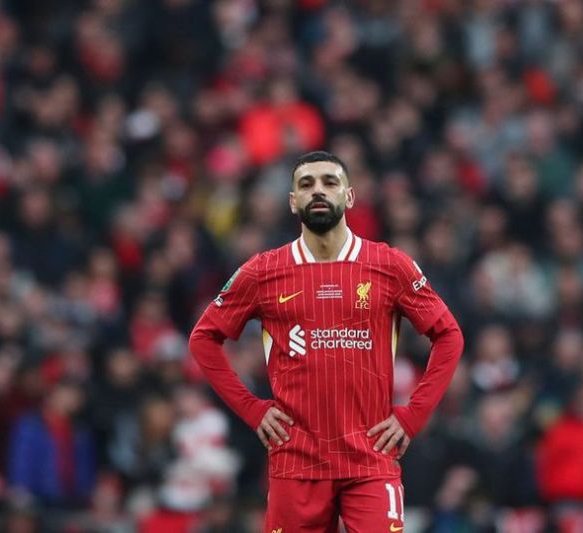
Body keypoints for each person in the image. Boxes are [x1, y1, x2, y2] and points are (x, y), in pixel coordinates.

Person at [189, 151, 464, 531]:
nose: (318, 191)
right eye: (306, 184)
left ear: (349, 196)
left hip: (370, 459)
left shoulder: (389, 265)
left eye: (329, 182)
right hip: (297, 462)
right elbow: (204, 338)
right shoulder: (263, 271)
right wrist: (253, 410)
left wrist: (413, 415)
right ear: (292, 202)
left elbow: (449, 335)